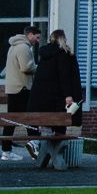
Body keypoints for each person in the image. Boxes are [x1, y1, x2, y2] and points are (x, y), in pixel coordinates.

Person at [26, 31, 82, 169]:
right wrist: (68, 95)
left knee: (47, 126)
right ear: (62, 39)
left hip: (42, 100)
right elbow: (64, 77)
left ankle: (41, 152)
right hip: (57, 99)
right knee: (59, 127)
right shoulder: (62, 55)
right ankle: (56, 157)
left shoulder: (45, 56)